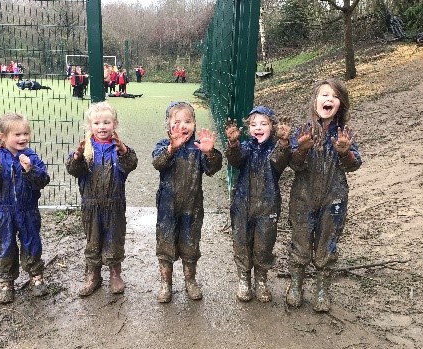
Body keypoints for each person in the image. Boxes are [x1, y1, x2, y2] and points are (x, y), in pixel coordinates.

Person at [286, 78, 362, 312]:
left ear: (341, 104)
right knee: (300, 243)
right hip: (303, 197)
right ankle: (296, 285)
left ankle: (322, 290)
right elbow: (293, 165)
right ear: (315, 101)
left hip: (334, 198)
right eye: (324, 95)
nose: (329, 99)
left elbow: (355, 164)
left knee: (327, 245)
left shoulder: (344, 134)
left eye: (335, 96)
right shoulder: (302, 131)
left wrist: (345, 153)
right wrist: (300, 150)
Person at [152, 101, 223, 303]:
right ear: (168, 125)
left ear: (194, 124)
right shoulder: (162, 146)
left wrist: (210, 153)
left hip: (192, 208)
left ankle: (190, 280)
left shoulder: (198, 148)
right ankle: (166, 284)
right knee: (165, 245)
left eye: (188, 121)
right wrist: (171, 149)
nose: (183, 126)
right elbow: (158, 163)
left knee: (190, 245)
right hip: (167, 207)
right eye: (177, 121)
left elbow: (212, 169)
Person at [66, 102, 138, 297]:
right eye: (97, 123)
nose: (102, 126)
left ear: (114, 124)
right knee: (93, 239)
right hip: (91, 205)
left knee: (114, 238)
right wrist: (77, 158)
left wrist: (124, 151)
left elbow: (132, 164)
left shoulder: (119, 148)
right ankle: (93, 275)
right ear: (90, 126)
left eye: (106, 122)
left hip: (114, 204)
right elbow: (74, 170)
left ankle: (115, 274)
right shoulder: (86, 148)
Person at [0, 112, 50, 305]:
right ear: (3, 137)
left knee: (32, 243)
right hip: (4, 212)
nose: (23, 138)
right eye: (17, 134)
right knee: (5, 246)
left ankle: (36, 276)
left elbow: (43, 180)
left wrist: (30, 170)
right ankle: (5, 282)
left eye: (25, 133)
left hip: (28, 210)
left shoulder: (31, 156)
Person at [225, 106, 291, 302]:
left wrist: (284, 143)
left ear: (273, 126)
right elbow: (235, 160)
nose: (258, 128)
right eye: (253, 124)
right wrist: (234, 143)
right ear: (248, 128)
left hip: (268, 206)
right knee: (241, 243)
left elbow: (279, 162)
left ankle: (261, 280)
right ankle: (244, 279)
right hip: (242, 206)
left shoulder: (275, 149)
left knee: (264, 245)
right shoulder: (246, 147)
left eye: (264, 124)